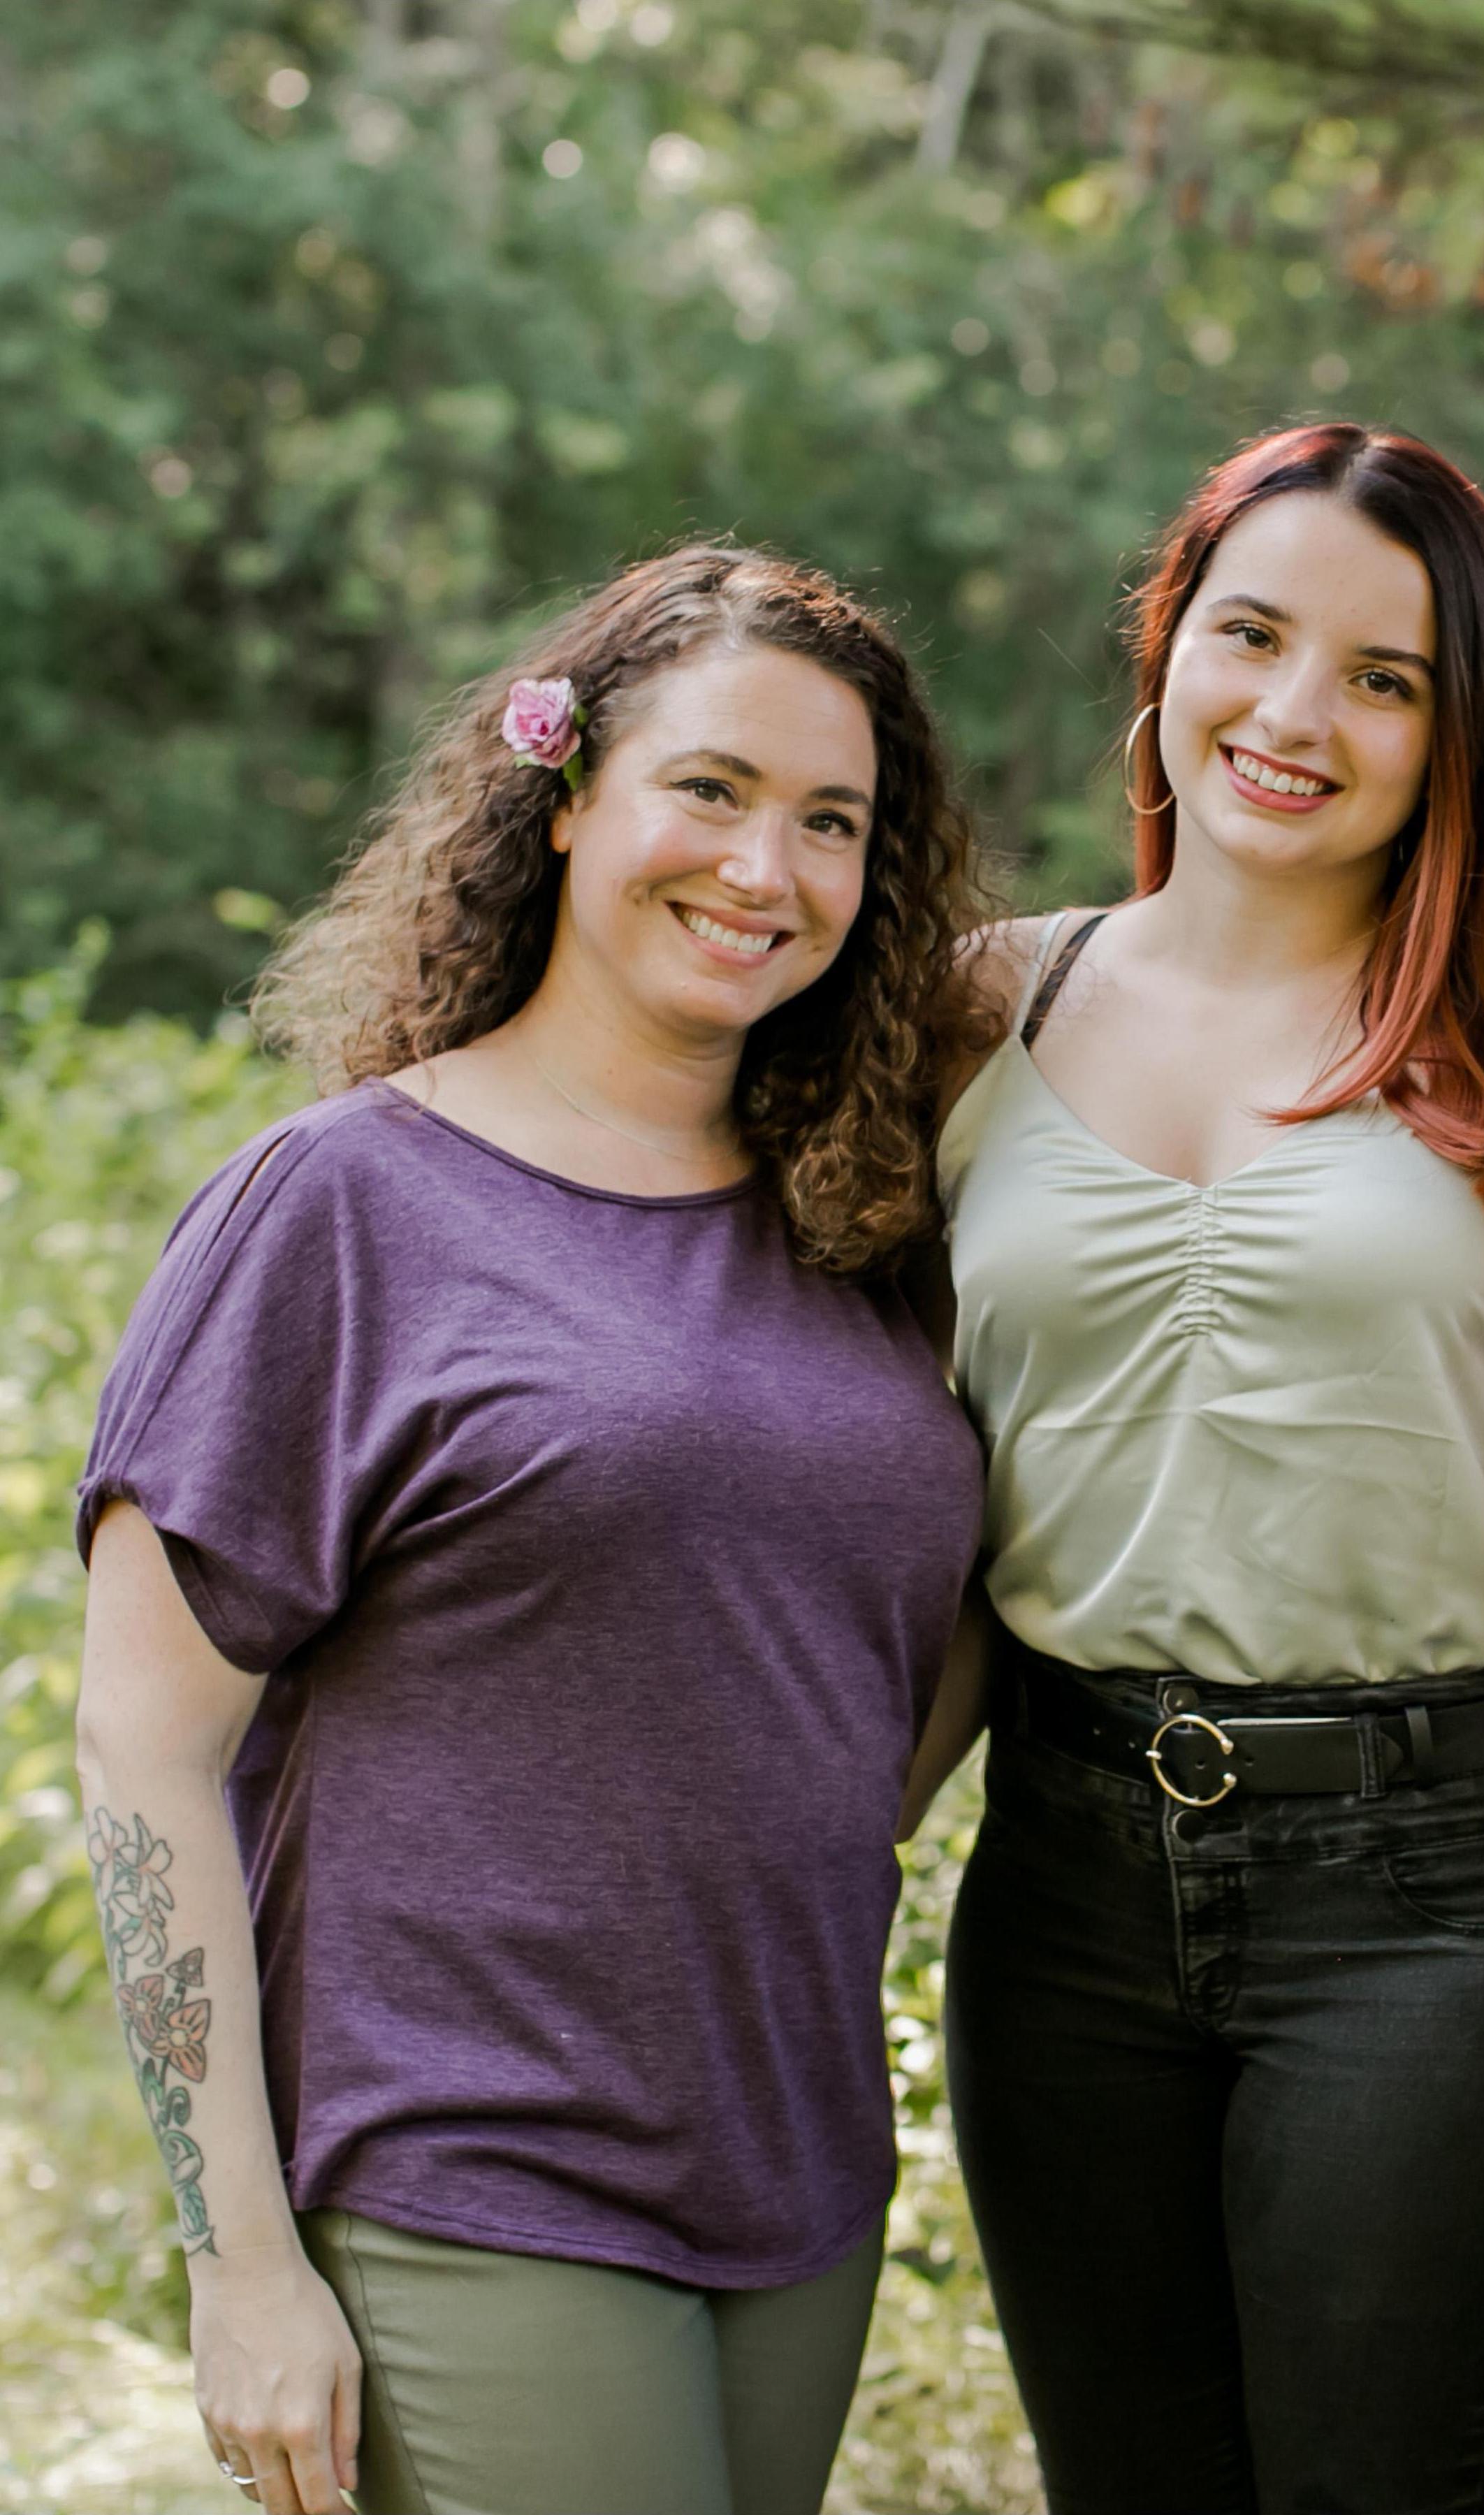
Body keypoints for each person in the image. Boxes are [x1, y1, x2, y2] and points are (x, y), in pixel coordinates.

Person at [73, 546, 990, 2515]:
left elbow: (921, 1632)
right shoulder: (342, 1207)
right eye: (714, 790)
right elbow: (147, 1748)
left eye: (832, 822)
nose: (769, 868)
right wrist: (242, 2263)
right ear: (567, 792)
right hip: (465, 2171)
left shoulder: (865, 1235)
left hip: (798, 2172)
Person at [908, 422, 1484, 2515]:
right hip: (1065, 1874)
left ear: (1453, 734)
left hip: (1445, 1893)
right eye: (1254, 635)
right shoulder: (973, 1010)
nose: (1295, 716)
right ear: (1169, 646)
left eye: (1381, 679)